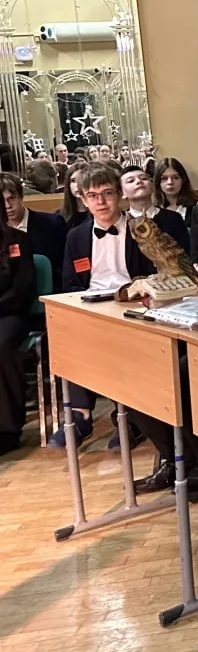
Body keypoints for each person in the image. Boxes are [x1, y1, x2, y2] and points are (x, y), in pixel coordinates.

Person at [57, 164, 187, 451]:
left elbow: (160, 273)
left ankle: (128, 418)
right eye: (93, 196)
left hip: (133, 304)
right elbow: (70, 283)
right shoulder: (75, 236)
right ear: (83, 199)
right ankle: (80, 415)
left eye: (107, 194)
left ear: (119, 195)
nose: (101, 202)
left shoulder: (142, 229)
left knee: (122, 339)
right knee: (69, 334)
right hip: (92, 306)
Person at [0, 220, 34, 455]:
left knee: (1, 346)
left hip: (10, 312)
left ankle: (7, 430)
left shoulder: (17, 240)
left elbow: (22, 288)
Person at [2, 173, 67, 292]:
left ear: (21, 196)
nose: (7, 206)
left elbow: (63, 268)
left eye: (11, 198)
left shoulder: (52, 224)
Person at [120, 165, 190, 254]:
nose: (139, 181)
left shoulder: (174, 218)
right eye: (131, 181)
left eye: (144, 178)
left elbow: (185, 253)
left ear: (152, 185)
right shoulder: (121, 222)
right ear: (122, 192)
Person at [153, 157, 198, 253]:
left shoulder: (197, 208)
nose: (170, 182)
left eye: (175, 177)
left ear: (183, 180)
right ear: (158, 182)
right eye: (164, 178)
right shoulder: (153, 211)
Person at [60, 162, 89, 229]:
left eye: (82, 180)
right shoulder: (60, 217)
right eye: (73, 181)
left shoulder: (99, 215)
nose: (77, 185)